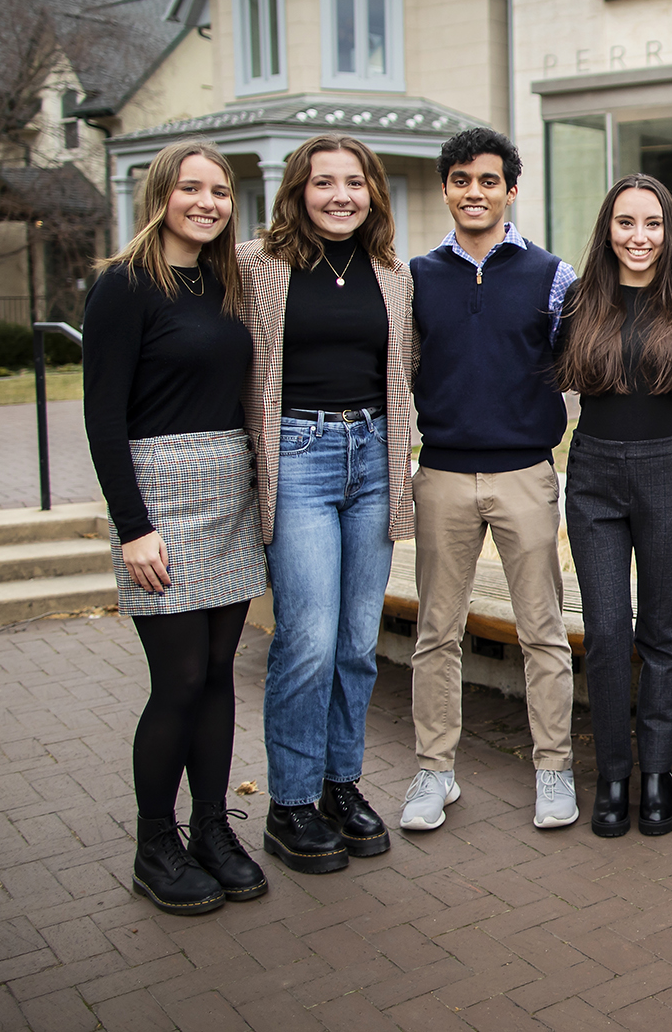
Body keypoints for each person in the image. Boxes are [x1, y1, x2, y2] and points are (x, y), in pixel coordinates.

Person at [83, 140, 266, 915]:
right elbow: (102, 415)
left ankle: (211, 831)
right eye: (191, 188)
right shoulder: (123, 286)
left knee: (220, 673)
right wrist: (133, 526)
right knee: (180, 677)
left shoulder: (227, 280)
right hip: (160, 499)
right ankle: (153, 841)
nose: (207, 202)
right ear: (161, 193)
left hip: (229, 489)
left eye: (219, 191)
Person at [239, 135, 414, 874]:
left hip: (374, 458)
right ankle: (291, 803)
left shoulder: (392, 274)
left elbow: (408, 372)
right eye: (323, 182)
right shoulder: (256, 266)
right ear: (297, 191)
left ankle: (342, 785)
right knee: (306, 640)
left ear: (373, 190)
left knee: (354, 643)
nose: (340, 195)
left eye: (354, 182)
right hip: (300, 458)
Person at [403, 128, 579, 833]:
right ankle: (434, 770)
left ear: (511, 188)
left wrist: (547, 432)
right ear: (446, 187)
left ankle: (554, 768)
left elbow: (576, 365)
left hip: (524, 475)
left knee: (542, 630)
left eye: (487, 180)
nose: (473, 192)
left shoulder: (552, 275)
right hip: (441, 473)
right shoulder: (416, 277)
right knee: (435, 632)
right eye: (460, 180)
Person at [556, 174, 672, 838]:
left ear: (668, 231)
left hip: (667, 473)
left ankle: (658, 774)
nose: (638, 236)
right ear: (607, 229)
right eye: (625, 223)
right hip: (592, 475)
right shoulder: (579, 301)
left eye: (652, 223)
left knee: (662, 632)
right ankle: (613, 773)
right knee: (608, 630)